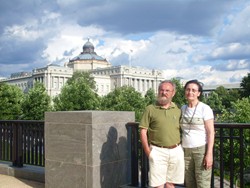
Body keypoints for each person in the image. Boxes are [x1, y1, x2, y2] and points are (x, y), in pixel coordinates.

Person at [139, 80, 184, 188]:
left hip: (176, 150)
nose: (164, 92)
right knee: (157, 185)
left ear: (173, 93)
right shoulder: (150, 109)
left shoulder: (177, 109)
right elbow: (143, 131)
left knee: (170, 183)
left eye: (167, 90)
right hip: (158, 151)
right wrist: (148, 152)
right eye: (161, 90)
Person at [180, 79, 215, 188]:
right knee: (189, 183)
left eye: (194, 90)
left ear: (198, 93)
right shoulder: (183, 108)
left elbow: (210, 132)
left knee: (202, 183)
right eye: (188, 89)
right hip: (185, 151)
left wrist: (209, 154)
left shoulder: (205, 108)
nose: (190, 92)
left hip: (201, 150)